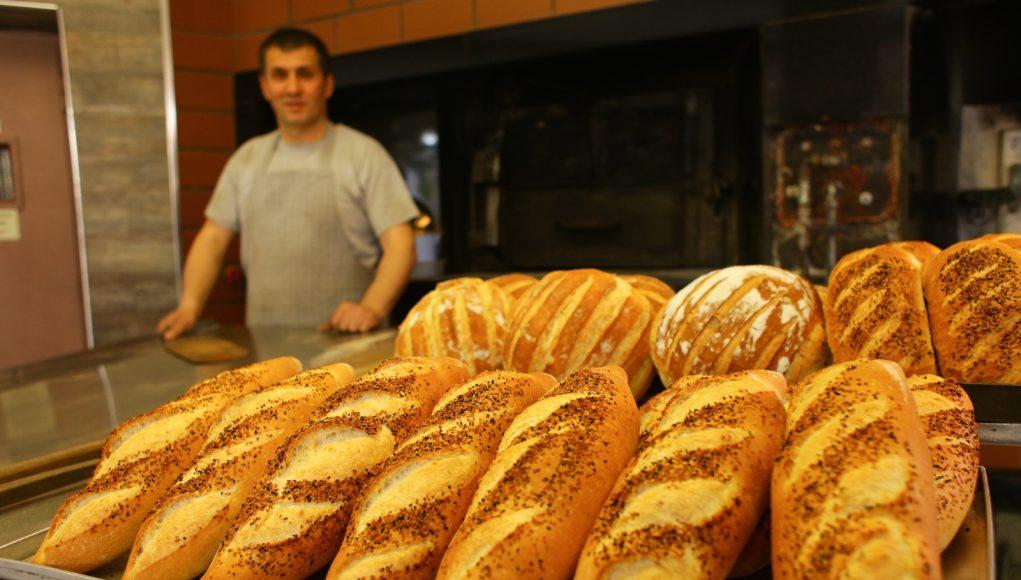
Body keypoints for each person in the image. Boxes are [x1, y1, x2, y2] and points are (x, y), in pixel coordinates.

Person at [157, 28, 418, 339]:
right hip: (265, 349)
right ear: (265, 87)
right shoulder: (247, 159)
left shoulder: (363, 154)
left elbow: (401, 244)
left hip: (351, 348)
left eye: (305, 75)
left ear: (327, 85)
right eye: (280, 76)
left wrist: (372, 308)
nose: (292, 88)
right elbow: (212, 238)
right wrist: (189, 307)